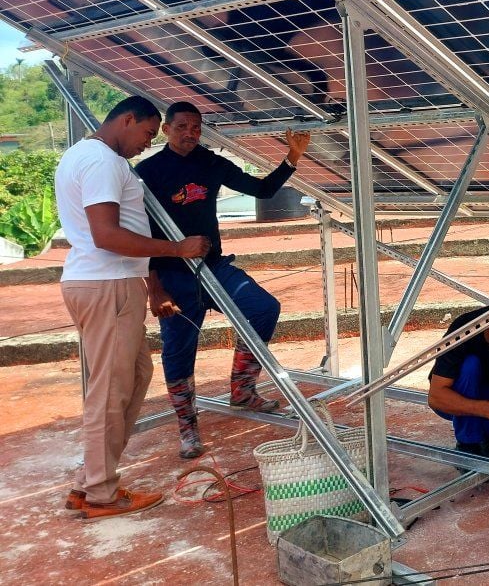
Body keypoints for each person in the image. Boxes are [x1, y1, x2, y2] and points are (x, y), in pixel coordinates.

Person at [55, 96, 210, 519]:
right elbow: (106, 234)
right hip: (107, 284)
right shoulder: (104, 162)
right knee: (110, 391)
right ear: (127, 120)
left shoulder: (80, 155)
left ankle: (91, 482)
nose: (146, 143)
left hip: (101, 282)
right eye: (145, 133)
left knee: (135, 376)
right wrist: (177, 249)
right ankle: (101, 494)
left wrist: (150, 282)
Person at [135, 101, 310, 459]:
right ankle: (188, 428)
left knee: (263, 308)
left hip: (214, 268)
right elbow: (141, 230)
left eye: (196, 127)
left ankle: (242, 390)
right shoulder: (149, 171)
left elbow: (262, 191)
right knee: (179, 351)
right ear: (166, 130)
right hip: (172, 275)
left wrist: (291, 158)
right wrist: (154, 287)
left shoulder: (210, 163)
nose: (189, 133)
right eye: (182, 127)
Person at [428, 306, 489, 457]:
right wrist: (484, 409)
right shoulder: (466, 327)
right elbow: (435, 398)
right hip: (459, 397)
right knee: (470, 365)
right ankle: (468, 444)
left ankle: (487, 438)